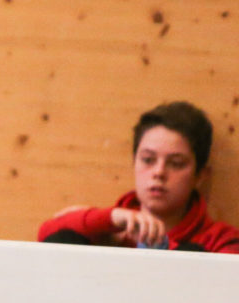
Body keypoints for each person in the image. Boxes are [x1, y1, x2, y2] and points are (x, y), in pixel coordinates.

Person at [38, 101, 239, 253]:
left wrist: (156, 243)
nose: (159, 172)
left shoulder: (223, 241)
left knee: (194, 256)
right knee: (65, 238)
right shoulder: (108, 227)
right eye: (148, 160)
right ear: (134, 162)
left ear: (200, 175)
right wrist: (110, 219)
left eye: (176, 163)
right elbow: (46, 235)